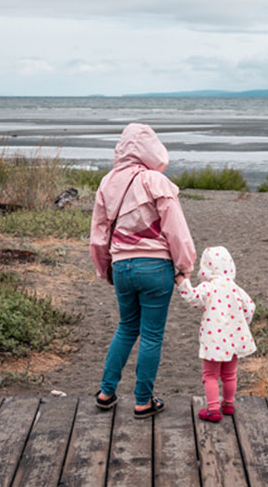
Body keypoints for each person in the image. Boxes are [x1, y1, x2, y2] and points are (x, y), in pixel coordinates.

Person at [90, 123, 195, 418]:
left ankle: (106, 392)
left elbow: (98, 234)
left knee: (126, 328)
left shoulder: (107, 182)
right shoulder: (155, 181)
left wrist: (105, 269)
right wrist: (184, 266)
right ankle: (142, 400)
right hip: (155, 267)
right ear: (152, 147)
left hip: (122, 266)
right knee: (151, 335)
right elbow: (176, 229)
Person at [176, 246, 256, 422]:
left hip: (214, 339)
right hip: (235, 338)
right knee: (230, 374)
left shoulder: (208, 286)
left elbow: (193, 298)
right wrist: (242, 324)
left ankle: (213, 409)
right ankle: (228, 404)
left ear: (206, 268)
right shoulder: (235, 288)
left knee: (210, 376)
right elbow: (250, 307)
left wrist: (182, 282)